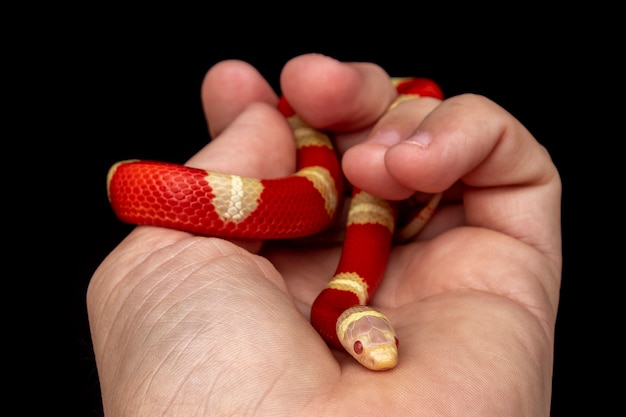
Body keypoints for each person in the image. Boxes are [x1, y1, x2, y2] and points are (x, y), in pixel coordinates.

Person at [88, 53, 561, 416]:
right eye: (366, 346)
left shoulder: (346, 302)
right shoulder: (336, 304)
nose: (378, 356)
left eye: (373, 346)